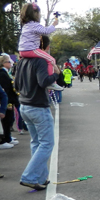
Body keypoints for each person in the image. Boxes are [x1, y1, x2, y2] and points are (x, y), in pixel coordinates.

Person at [14, 35, 65, 191]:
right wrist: (56, 74)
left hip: (24, 105)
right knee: (47, 143)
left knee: (36, 142)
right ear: (46, 48)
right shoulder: (41, 61)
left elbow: (16, 84)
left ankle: (40, 178)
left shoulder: (21, 61)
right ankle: (30, 176)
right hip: (38, 106)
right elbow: (44, 81)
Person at [18, 3, 59, 75]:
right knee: (51, 60)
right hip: (31, 49)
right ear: (35, 14)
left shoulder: (26, 25)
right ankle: (50, 81)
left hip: (22, 50)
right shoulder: (34, 25)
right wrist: (54, 25)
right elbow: (46, 31)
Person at [0, 54, 19, 148]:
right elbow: (5, 90)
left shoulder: (5, 72)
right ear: (3, 63)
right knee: (6, 121)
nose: (10, 63)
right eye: (8, 61)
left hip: (10, 100)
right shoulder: (1, 74)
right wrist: (8, 103)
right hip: (6, 101)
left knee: (9, 120)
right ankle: (2, 140)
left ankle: (8, 137)